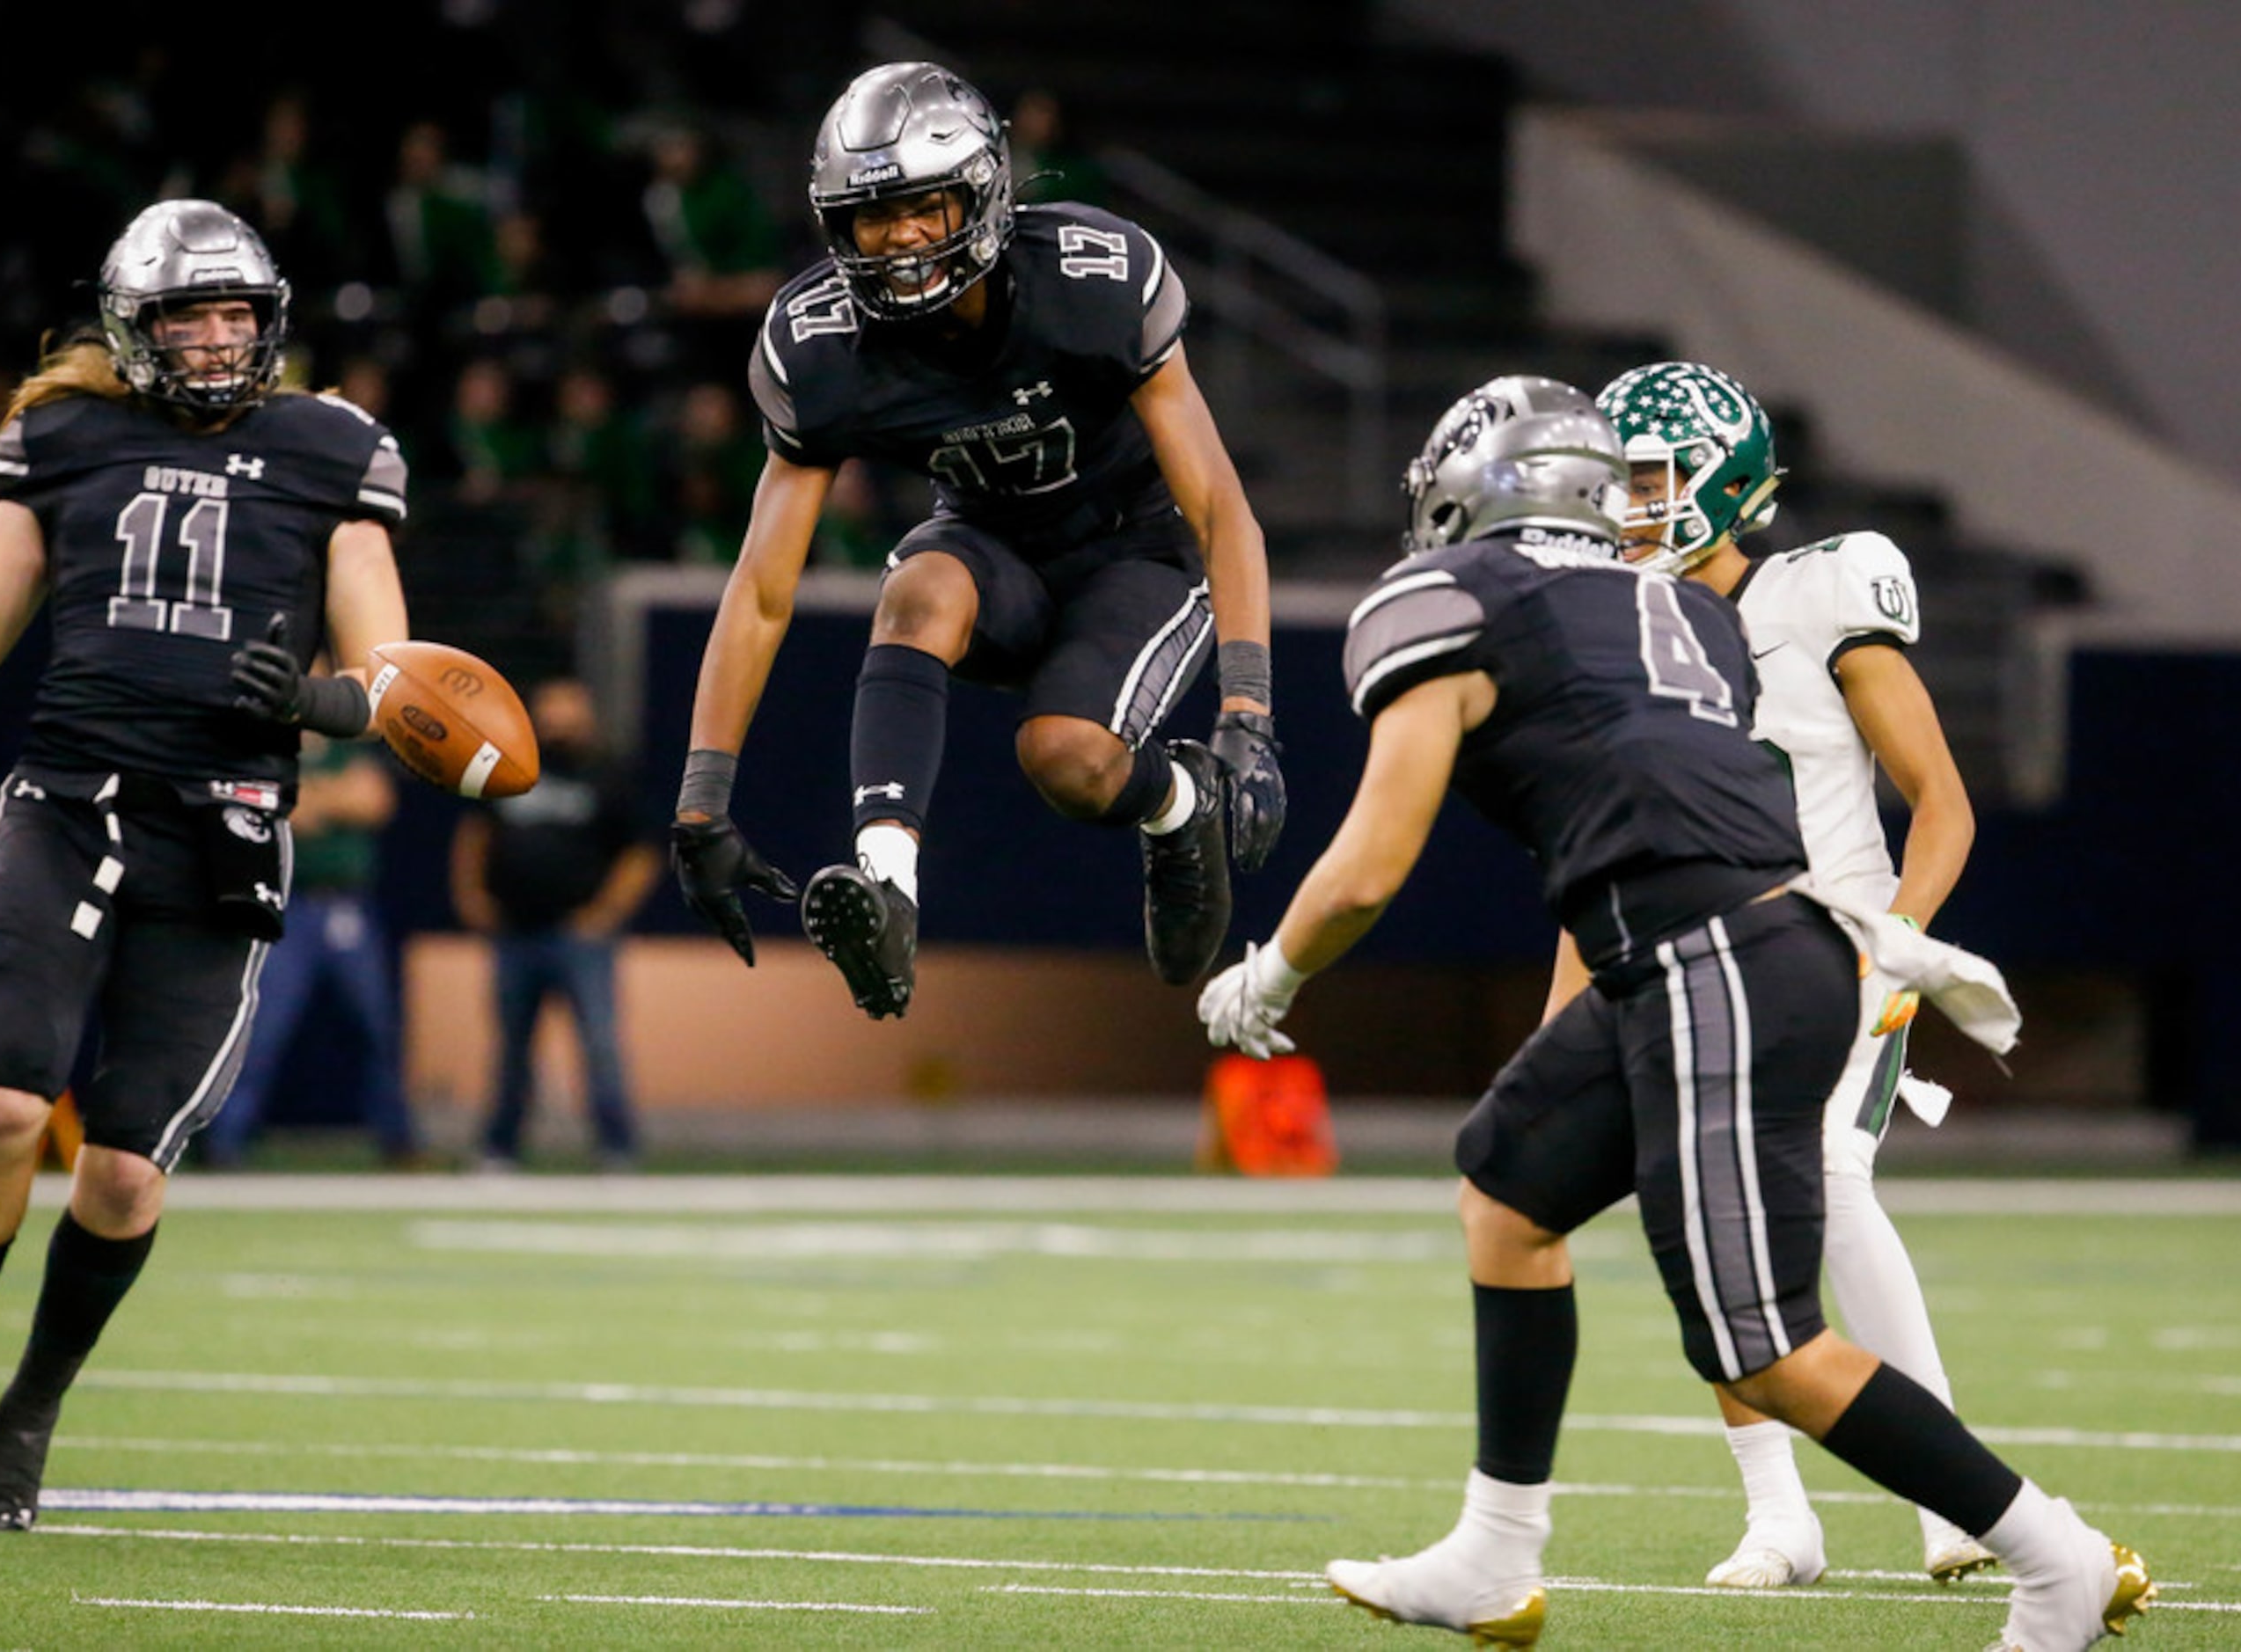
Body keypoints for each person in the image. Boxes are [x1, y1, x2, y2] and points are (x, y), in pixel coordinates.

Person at [1197, 376, 2149, 1650]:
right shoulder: (1674, 612)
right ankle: (1494, 1551)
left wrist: (1272, 975)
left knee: (1769, 1348)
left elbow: (1372, 865)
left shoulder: (1448, 604)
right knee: (1507, 1182)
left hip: (1720, 961)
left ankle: (2050, 1553)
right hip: (1708, 949)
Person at [0, 199, 412, 1531]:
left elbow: (393, 670)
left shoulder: (333, 448)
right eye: (189, 314)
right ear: (135, 327)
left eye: (237, 313)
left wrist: (331, 705)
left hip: (219, 825)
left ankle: (30, 1411)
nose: (219, 339)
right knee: (0, 1106)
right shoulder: (62, 431)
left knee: (121, 1172)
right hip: (67, 801)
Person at [669, 61, 1285, 1020]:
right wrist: (701, 801)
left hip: (1135, 548)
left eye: (926, 206)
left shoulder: (1090, 280)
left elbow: (1217, 506)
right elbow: (758, 589)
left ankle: (1177, 804)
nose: (903, 238)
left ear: (985, 195)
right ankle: (889, 891)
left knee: (1066, 761)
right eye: (875, 217)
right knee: (916, 590)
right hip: (990, 543)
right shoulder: (819, 342)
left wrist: (1246, 710)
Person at [1597, 359, 1990, 1589]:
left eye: (1651, 482)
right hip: (1691, 957)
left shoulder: (1821, 598)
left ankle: (1956, 1493)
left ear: (1722, 484)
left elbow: (1944, 805)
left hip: (1841, 946)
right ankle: (1780, 1518)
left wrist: (1904, 941)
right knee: (1697, 1220)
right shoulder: (1619, 635)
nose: (1627, 508)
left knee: (1827, 1174)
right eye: (1615, 484)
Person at [451, 676, 659, 1168]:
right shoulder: (507, 764)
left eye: (567, 709)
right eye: (549, 709)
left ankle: (617, 1148)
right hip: (515, 931)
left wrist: (605, 913)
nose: (557, 720)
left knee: (600, 1044)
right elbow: (475, 831)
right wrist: (471, 893)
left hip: (578, 936)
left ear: (586, 715)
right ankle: (499, 1148)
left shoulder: (606, 775)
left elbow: (642, 852)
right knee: (512, 1048)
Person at [201, 735, 418, 1169]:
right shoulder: (268, 750)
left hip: (345, 904)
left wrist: (307, 798)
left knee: (377, 1025)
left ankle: (399, 1140)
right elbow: (260, 810)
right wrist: (333, 796)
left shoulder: (349, 749)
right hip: (286, 907)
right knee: (260, 1028)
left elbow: (374, 802)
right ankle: (224, 1141)